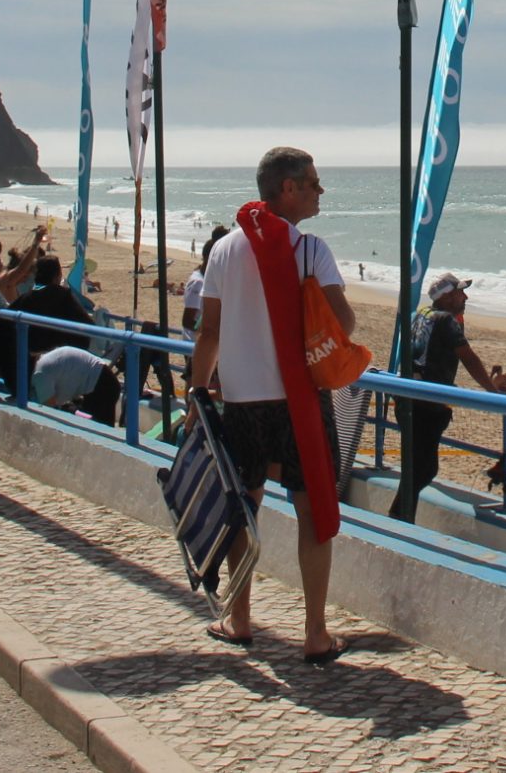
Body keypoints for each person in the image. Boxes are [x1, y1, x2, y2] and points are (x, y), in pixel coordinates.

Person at [186, 146, 353, 664]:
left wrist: (196, 392)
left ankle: (238, 619)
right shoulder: (310, 250)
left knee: (244, 508)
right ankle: (316, 633)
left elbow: (209, 332)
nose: (320, 191)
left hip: (242, 401)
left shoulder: (223, 250)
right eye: (313, 183)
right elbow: (343, 324)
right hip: (299, 400)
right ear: (288, 188)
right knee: (311, 511)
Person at [389, 273, 504, 525]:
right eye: (461, 293)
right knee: (423, 469)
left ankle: (402, 517)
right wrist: (492, 391)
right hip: (427, 405)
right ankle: (398, 517)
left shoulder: (422, 314)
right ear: (447, 296)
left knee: (416, 466)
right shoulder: (446, 320)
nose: (465, 297)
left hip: (406, 397)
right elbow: (468, 357)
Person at [28, 343, 126, 426]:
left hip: (101, 386)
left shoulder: (39, 374)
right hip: (101, 379)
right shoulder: (43, 361)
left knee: (99, 432)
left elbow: (49, 407)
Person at [180, 226, 230, 334]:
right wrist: (210, 333)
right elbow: (187, 321)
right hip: (194, 340)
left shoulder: (207, 279)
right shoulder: (198, 283)